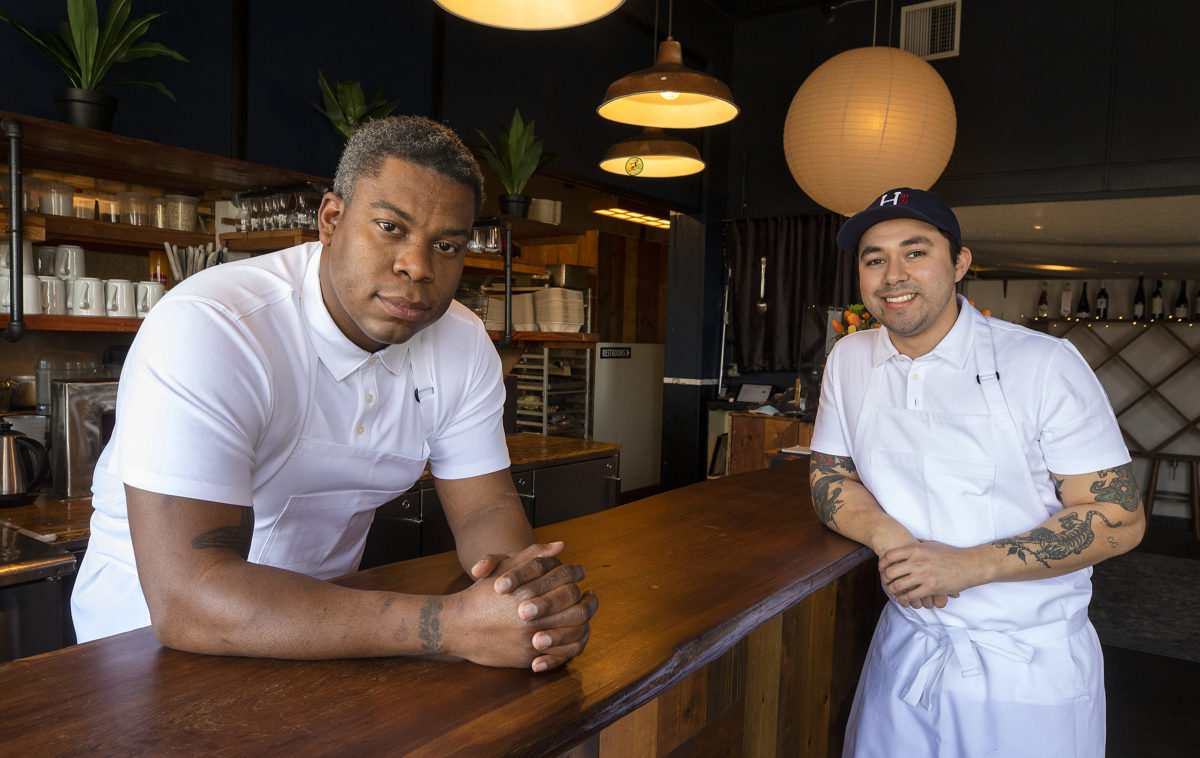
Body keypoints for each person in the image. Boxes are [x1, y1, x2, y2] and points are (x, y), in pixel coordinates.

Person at [71, 116, 598, 672]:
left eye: (446, 245)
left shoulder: (461, 343)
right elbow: (187, 599)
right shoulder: (214, 327)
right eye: (391, 227)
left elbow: (484, 508)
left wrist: (526, 603)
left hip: (332, 632)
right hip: (145, 650)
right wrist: (447, 626)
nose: (417, 267)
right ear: (331, 219)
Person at [808, 187, 1144, 756]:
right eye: (874, 259)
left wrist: (971, 564)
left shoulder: (1042, 364)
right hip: (907, 649)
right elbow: (828, 476)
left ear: (960, 264)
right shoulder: (850, 358)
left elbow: (1119, 518)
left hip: (1027, 670)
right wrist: (894, 541)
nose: (893, 275)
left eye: (915, 252)